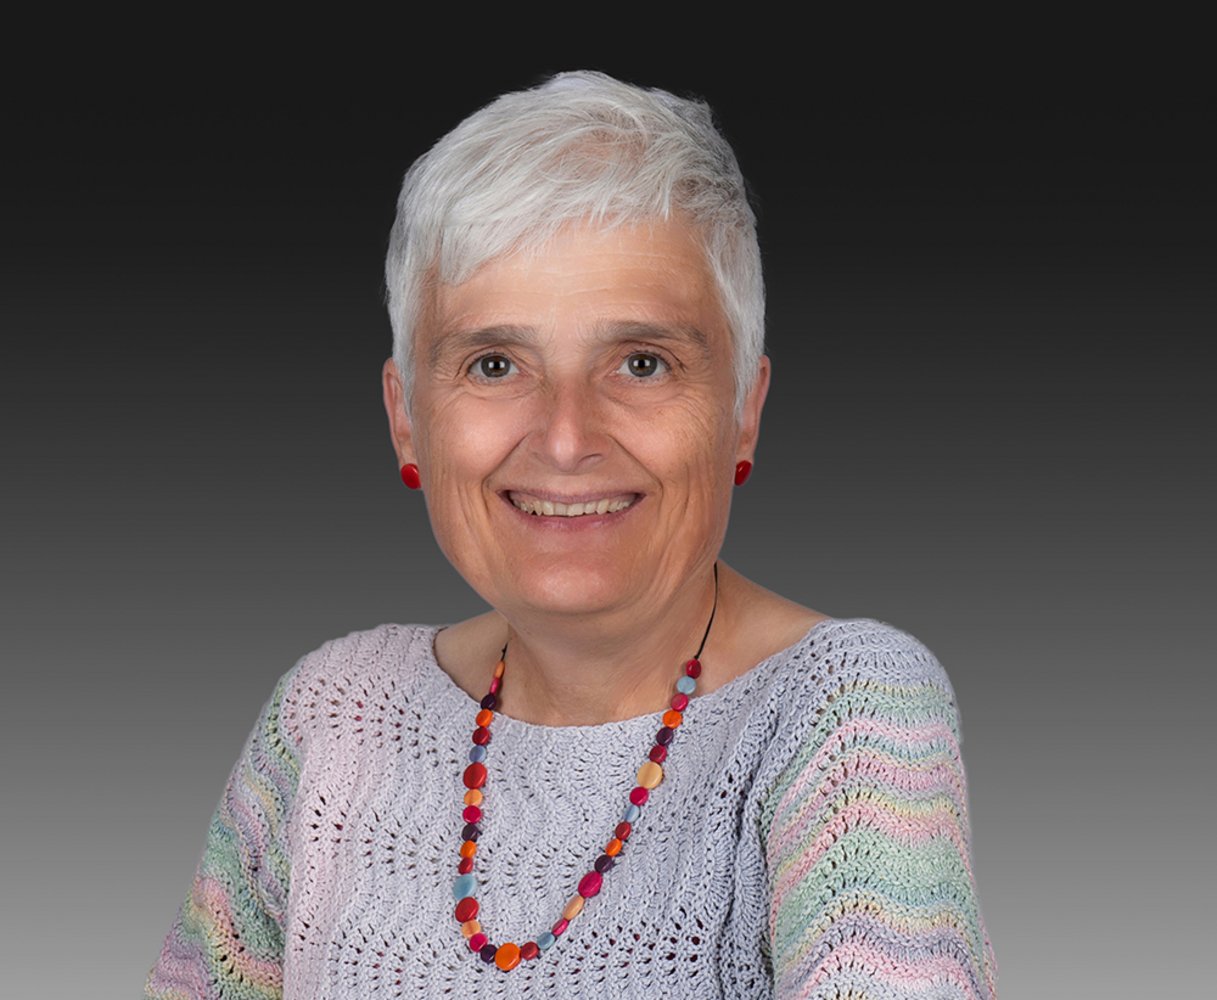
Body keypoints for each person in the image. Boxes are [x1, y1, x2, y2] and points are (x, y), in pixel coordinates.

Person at [144, 71, 997, 999]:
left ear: (742, 411)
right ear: (405, 417)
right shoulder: (334, 715)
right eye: (494, 364)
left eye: (641, 362)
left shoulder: (844, 711)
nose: (564, 438)